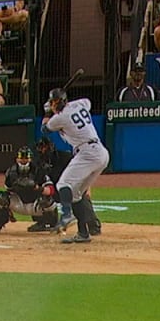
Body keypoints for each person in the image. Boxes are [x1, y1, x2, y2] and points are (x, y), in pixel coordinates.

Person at [41, 89, 108, 243]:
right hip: (101, 153)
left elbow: (44, 130)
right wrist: (58, 106)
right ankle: (83, 233)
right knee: (77, 194)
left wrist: (46, 112)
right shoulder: (80, 103)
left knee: (63, 184)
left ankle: (67, 213)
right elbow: (87, 102)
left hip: (87, 152)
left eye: (53, 103)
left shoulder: (60, 118)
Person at [0, 146, 58, 235]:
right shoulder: (11, 172)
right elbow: (8, 191)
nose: (23, 160)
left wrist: (38, 189)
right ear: (17, 158)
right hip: (19, 204)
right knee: (1, 196)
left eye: (26, 158)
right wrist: (8, 211)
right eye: (21, 157)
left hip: (36, 205)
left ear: (30, 159)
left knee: (46, 200)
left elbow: (51, 190)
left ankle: (50, 224)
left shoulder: (39, 171)